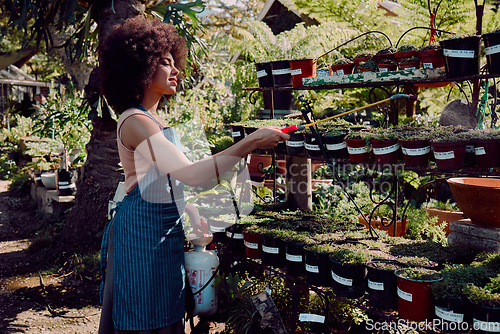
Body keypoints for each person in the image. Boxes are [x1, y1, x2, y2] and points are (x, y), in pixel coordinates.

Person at [98, 15, 289, 333]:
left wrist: (188, 208)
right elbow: (192, 174)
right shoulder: (135, 121)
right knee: (144, 315)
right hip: (141, 235)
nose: (176, 71)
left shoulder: (154, 119)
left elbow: (164, 179)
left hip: (163, 230)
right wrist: (251, 141)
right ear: (140, 68)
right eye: (165, 63)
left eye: (175, 63)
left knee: (167, 309)